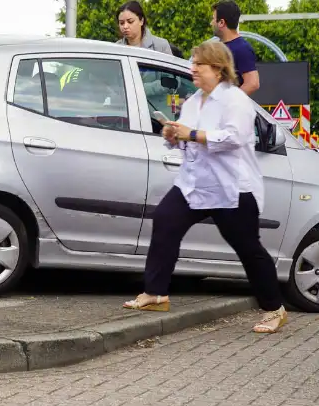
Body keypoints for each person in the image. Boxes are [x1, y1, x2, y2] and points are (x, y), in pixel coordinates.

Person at [123, 40, 287, 334]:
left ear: (218, 68)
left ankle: (275, 308)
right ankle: (156, 293)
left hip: (231, 189)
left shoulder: (235, 100)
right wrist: (172, 135)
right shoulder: (192, 100)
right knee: (165, 220)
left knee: (248, 248)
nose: (193, 69)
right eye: (193, 63)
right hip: (193, 183)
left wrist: (194, 134)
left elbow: (234, 138)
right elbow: (185, 135)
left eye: (199, 64)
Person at [211, 0, 260, 97]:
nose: (211, 23)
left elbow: (252, 83)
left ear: (221, 22)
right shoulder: (218, 46)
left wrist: (228, 102)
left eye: (213, 19)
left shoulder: (242, 48)